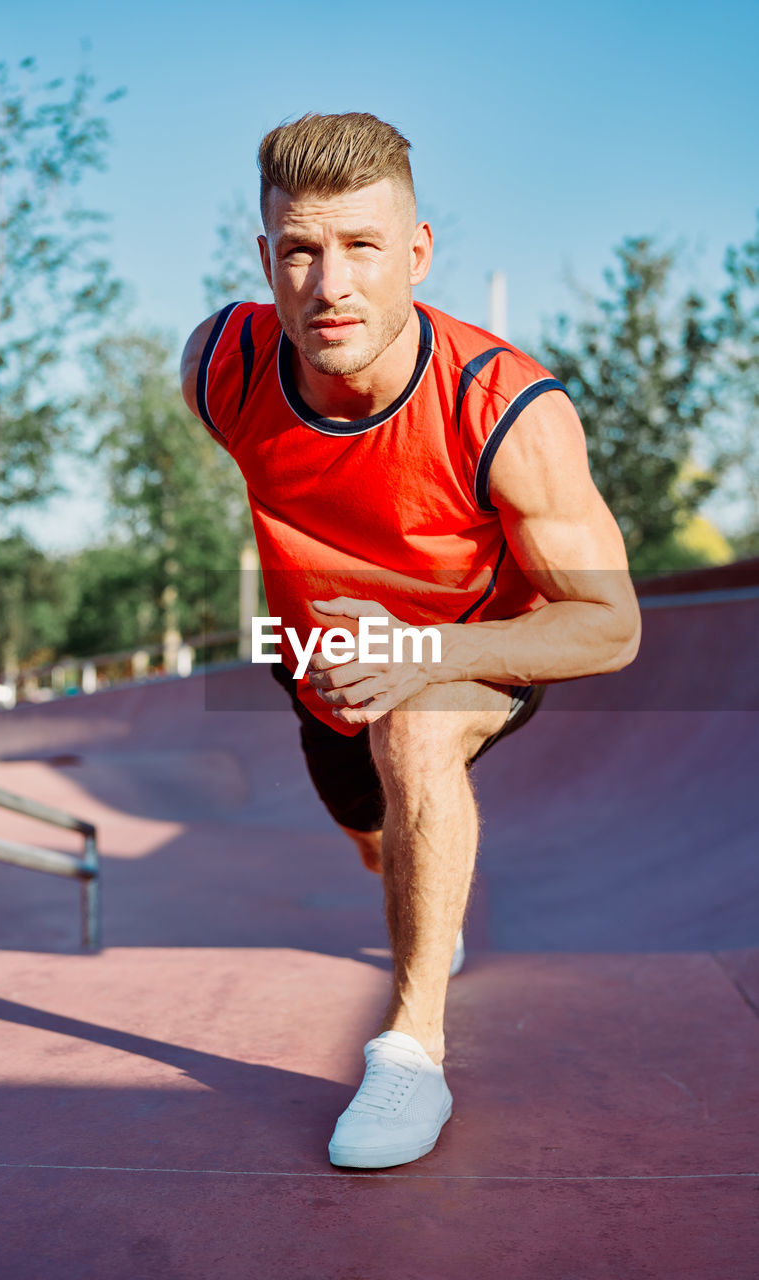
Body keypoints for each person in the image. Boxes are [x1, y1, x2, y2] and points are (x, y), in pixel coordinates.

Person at [180, 112, 641, 1170]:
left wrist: (431, 650)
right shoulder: (219, 365)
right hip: (317, 665)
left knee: (414, 729)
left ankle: (412, 1047)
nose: (329, 282)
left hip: (482, 642)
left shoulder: (505, 410)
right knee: (375, 826)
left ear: (419, 253)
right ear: (265, 259)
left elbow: (613, 624)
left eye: (362, 246)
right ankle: (424, 882)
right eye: (300, 249)